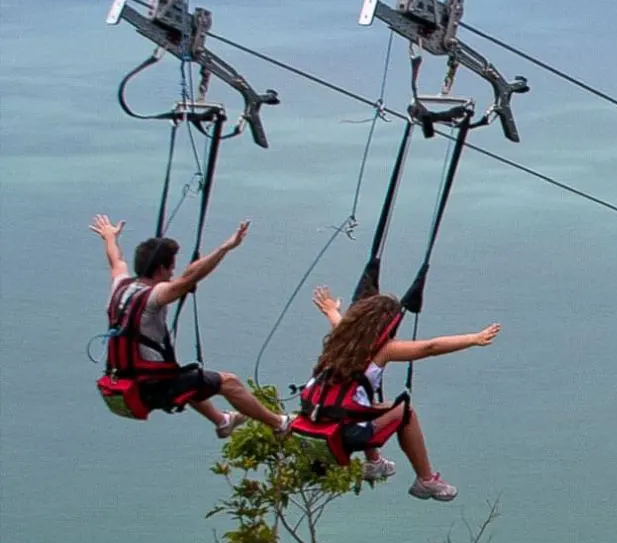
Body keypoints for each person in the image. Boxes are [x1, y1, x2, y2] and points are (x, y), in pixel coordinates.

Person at [92, 214, 290, 435]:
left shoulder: (120, 287)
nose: (172, 274)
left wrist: (110, 237)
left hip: (124, 378)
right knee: (229, 382)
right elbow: (190, 278)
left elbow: (116, 261)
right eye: (170, 269)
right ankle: (279, 424)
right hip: (152, 387)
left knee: (190, 378)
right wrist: (226, 247)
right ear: (159, 269)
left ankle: (222, 421)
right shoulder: (154, 296)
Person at [297, 286, 498, 501]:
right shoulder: (384, 349)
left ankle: (374, 463)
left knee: (367, 404)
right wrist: (473, 339)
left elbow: (338, 320)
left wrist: (330, 309)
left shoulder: (341, 339)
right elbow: (429, 347)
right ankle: (426, 480)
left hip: (316, 420)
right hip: (347, 433)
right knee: (406, 413)